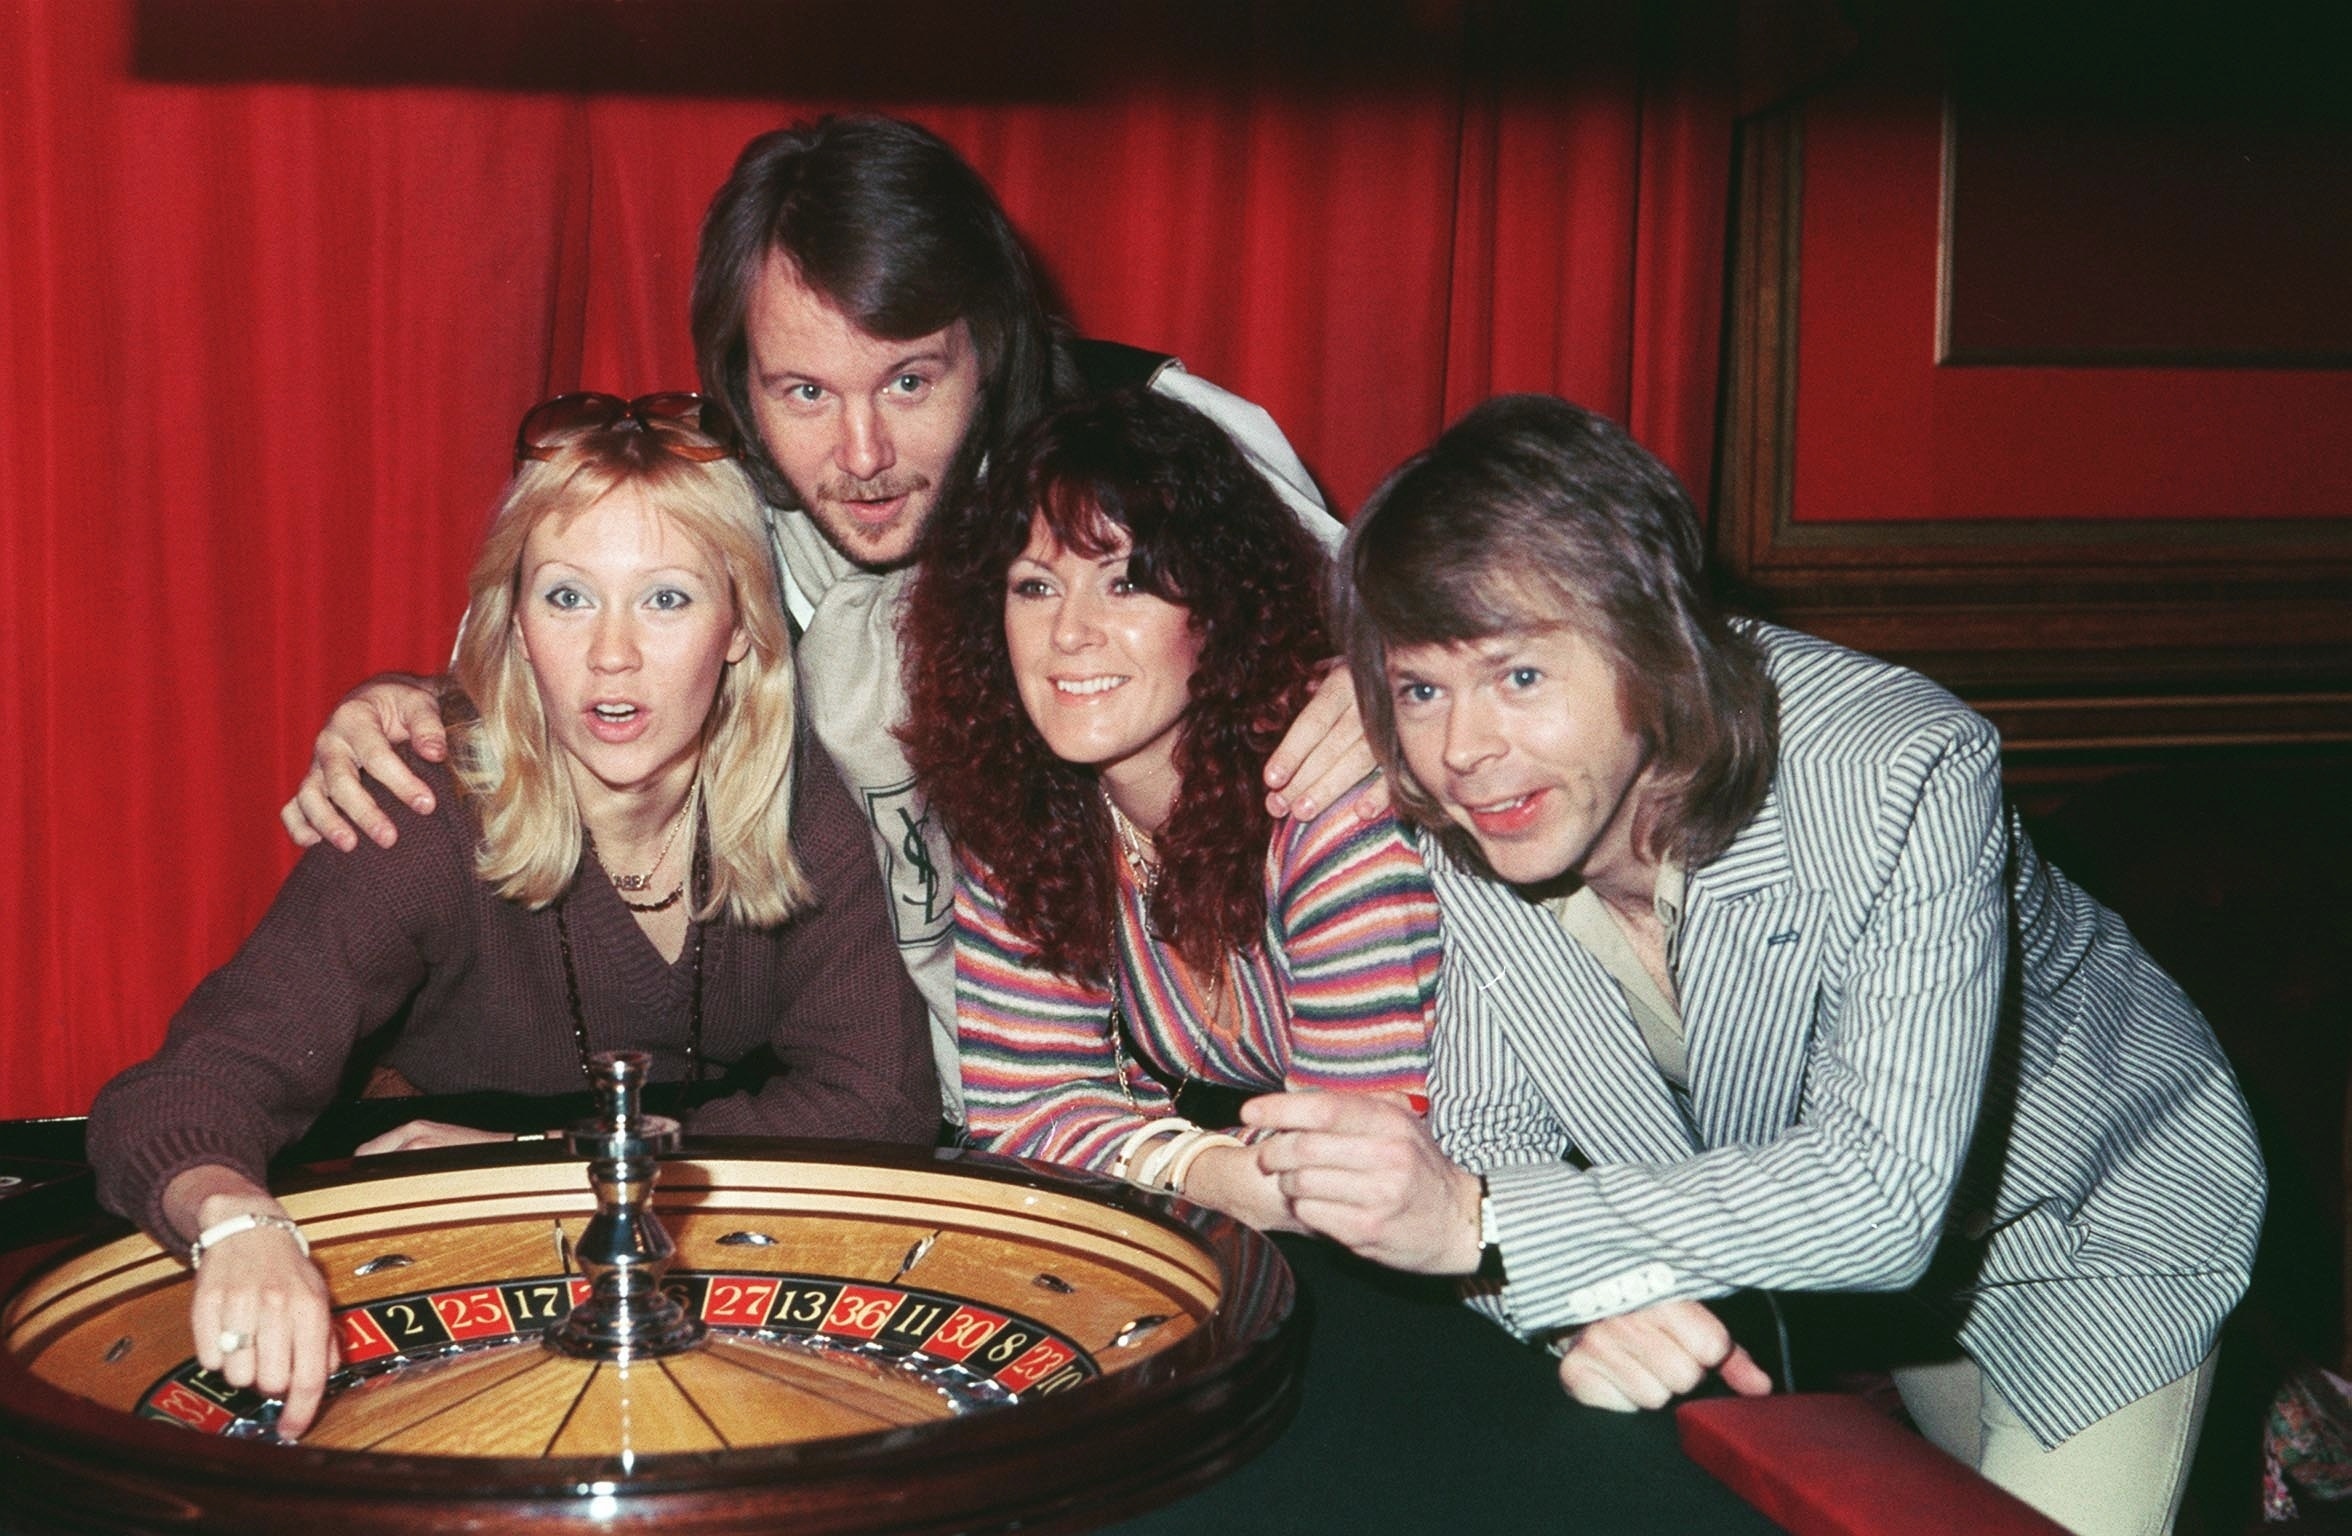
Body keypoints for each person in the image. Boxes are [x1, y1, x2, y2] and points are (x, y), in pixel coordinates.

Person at [1248, 395, 2265, 1536]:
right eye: (1421, 689)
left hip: (2092, 1231)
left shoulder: (1897, 768)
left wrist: (1488, 1229)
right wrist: (1582, 1308)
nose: (1461, 749)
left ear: (1651, 642)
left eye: (1518, 676)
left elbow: (1879, 1192)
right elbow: (1492, 1136)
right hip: (1866, 1276)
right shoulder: (1472, 803)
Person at [275, 117, 1382, 1125]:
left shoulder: (1169, 444)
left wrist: (1380, 687)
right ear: (740, 385)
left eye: (909, 383)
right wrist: (406, 706)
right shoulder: (714, 506)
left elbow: (1439, 669)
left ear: (990, 347)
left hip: (1254, 1088)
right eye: (804, 393)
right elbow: (556, 675)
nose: (862, 457)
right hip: (921, 1115)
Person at [88, 393, 939, 1440]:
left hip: (690, 1271)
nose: (612, 654)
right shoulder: (423, 812)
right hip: (458, 1282)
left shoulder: (800, 801)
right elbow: (181, 1093)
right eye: (568, 597)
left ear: (739, 629)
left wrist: (538, 1158)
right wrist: (236, 1227)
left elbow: (879, 1102)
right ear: (517, 625)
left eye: (667, 599)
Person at [898, 390, 1437, 1225]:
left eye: (1126, 582)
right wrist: (1202, 1167)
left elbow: (1351, 1170)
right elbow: (1027, 1114)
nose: (1070, 632)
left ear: (1218, 608)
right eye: (1035, 586)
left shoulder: (1325, 800)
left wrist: (1161, 1159)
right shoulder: (1022, 810)